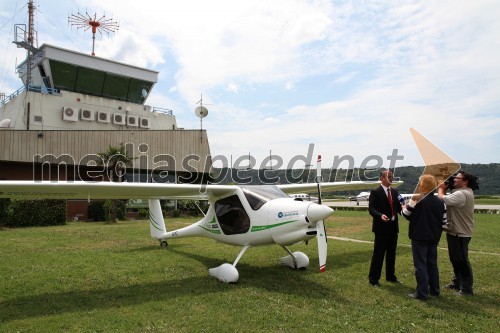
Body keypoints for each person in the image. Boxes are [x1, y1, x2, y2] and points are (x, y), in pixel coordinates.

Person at [402, 174, 447, 300]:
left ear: (421, 185)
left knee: (420, 265)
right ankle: (435, 290)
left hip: (419, 236)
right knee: (432, 264)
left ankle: (421, 293)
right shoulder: (440, 201)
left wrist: (405, 207)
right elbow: (444, 221)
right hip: (434, 237)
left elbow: (405, 215)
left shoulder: (416, 198)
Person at [438, 171, 478, 296]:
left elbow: (443, 199)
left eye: (457, 178)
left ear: (465, 181)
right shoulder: (462, 192)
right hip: (455, 231)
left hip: (460, 233)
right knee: (455, 259)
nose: (454, 179)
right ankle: (457, 282)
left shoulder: (462, 194)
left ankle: (466, 289)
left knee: (461, 260)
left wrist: (441, 189)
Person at [368, 170, 403, 286]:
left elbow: (399, 208)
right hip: (381, 228)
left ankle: (390, 276)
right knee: (379, 254)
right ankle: (373, 279)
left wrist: (406, 210)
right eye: (389, 177)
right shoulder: (375, 192)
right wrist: (380, 215)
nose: (392, 179)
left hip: (393, 227)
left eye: (392, 177)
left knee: (391, 254)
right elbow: (371, 209)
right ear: (382, 178)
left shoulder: (395, 192)